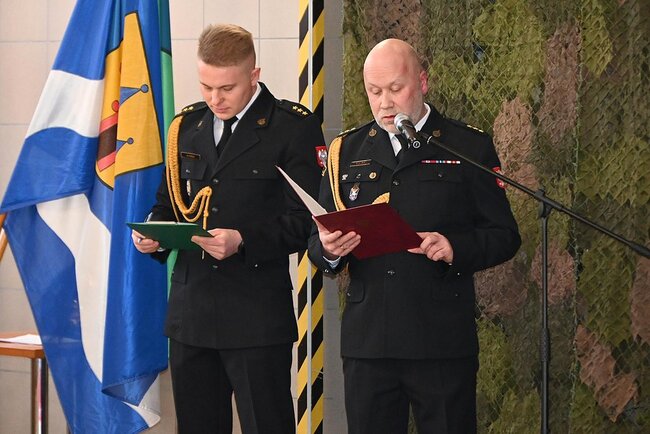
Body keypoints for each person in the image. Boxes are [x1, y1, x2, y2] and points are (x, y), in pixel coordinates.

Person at [308, 39, 521, 434]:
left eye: (395, 88)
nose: (384, 103)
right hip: (369, 343)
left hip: (439, 339)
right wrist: (329, 249)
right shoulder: (346, 150)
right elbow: (317, 242)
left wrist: (455, 247)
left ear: (422, 82)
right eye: (374, 91)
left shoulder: (465, 146)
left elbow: (504, 235)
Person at [132, 24, 324, 434]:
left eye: (227, 88)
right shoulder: (186, 127)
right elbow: (167, 204)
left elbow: (306, 221)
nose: (215, 99)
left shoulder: (291, 127)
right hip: (192, 315)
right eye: (206, 87)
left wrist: (244, 241)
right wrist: (153, 235)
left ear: (254, 75)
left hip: (256, 316)